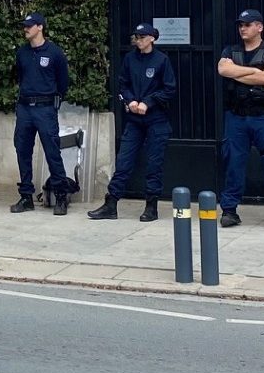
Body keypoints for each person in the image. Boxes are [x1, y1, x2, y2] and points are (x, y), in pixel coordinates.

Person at [217, 9, 264, 232]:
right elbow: (223, 69)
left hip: (263, 118)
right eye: (241, 24)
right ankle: (229, 211)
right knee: (233, 164)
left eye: (248, 24)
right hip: (236, 117)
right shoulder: (230, 50)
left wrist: (237, 72)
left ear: (259, 27)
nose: (243, 28)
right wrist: (253, 72)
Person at [89, 22, 176, 221]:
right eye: (137, 37)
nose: (139, 41)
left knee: (154, 163)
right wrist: (130, 100)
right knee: (124, 161)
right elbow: (123, 84)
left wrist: (148, 102)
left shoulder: (161, 60)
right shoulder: (130, 59)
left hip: (156, 119)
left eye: (142, 37)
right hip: (135, 119)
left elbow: (169, 89)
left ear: (152, 38)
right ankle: (111, 204)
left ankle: (151, 206)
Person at [10, 12, 73, 215]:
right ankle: (26, 196)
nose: (26, 29)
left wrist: (54, 100)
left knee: (52, 151)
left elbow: (63, 82)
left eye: (30, 26)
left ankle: (61, 196)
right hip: (25, 108)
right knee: (22, 150)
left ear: (40, 27)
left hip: (45, 108)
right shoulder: (22, 53)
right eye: (25, 26)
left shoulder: (54, 52)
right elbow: (20, 76)